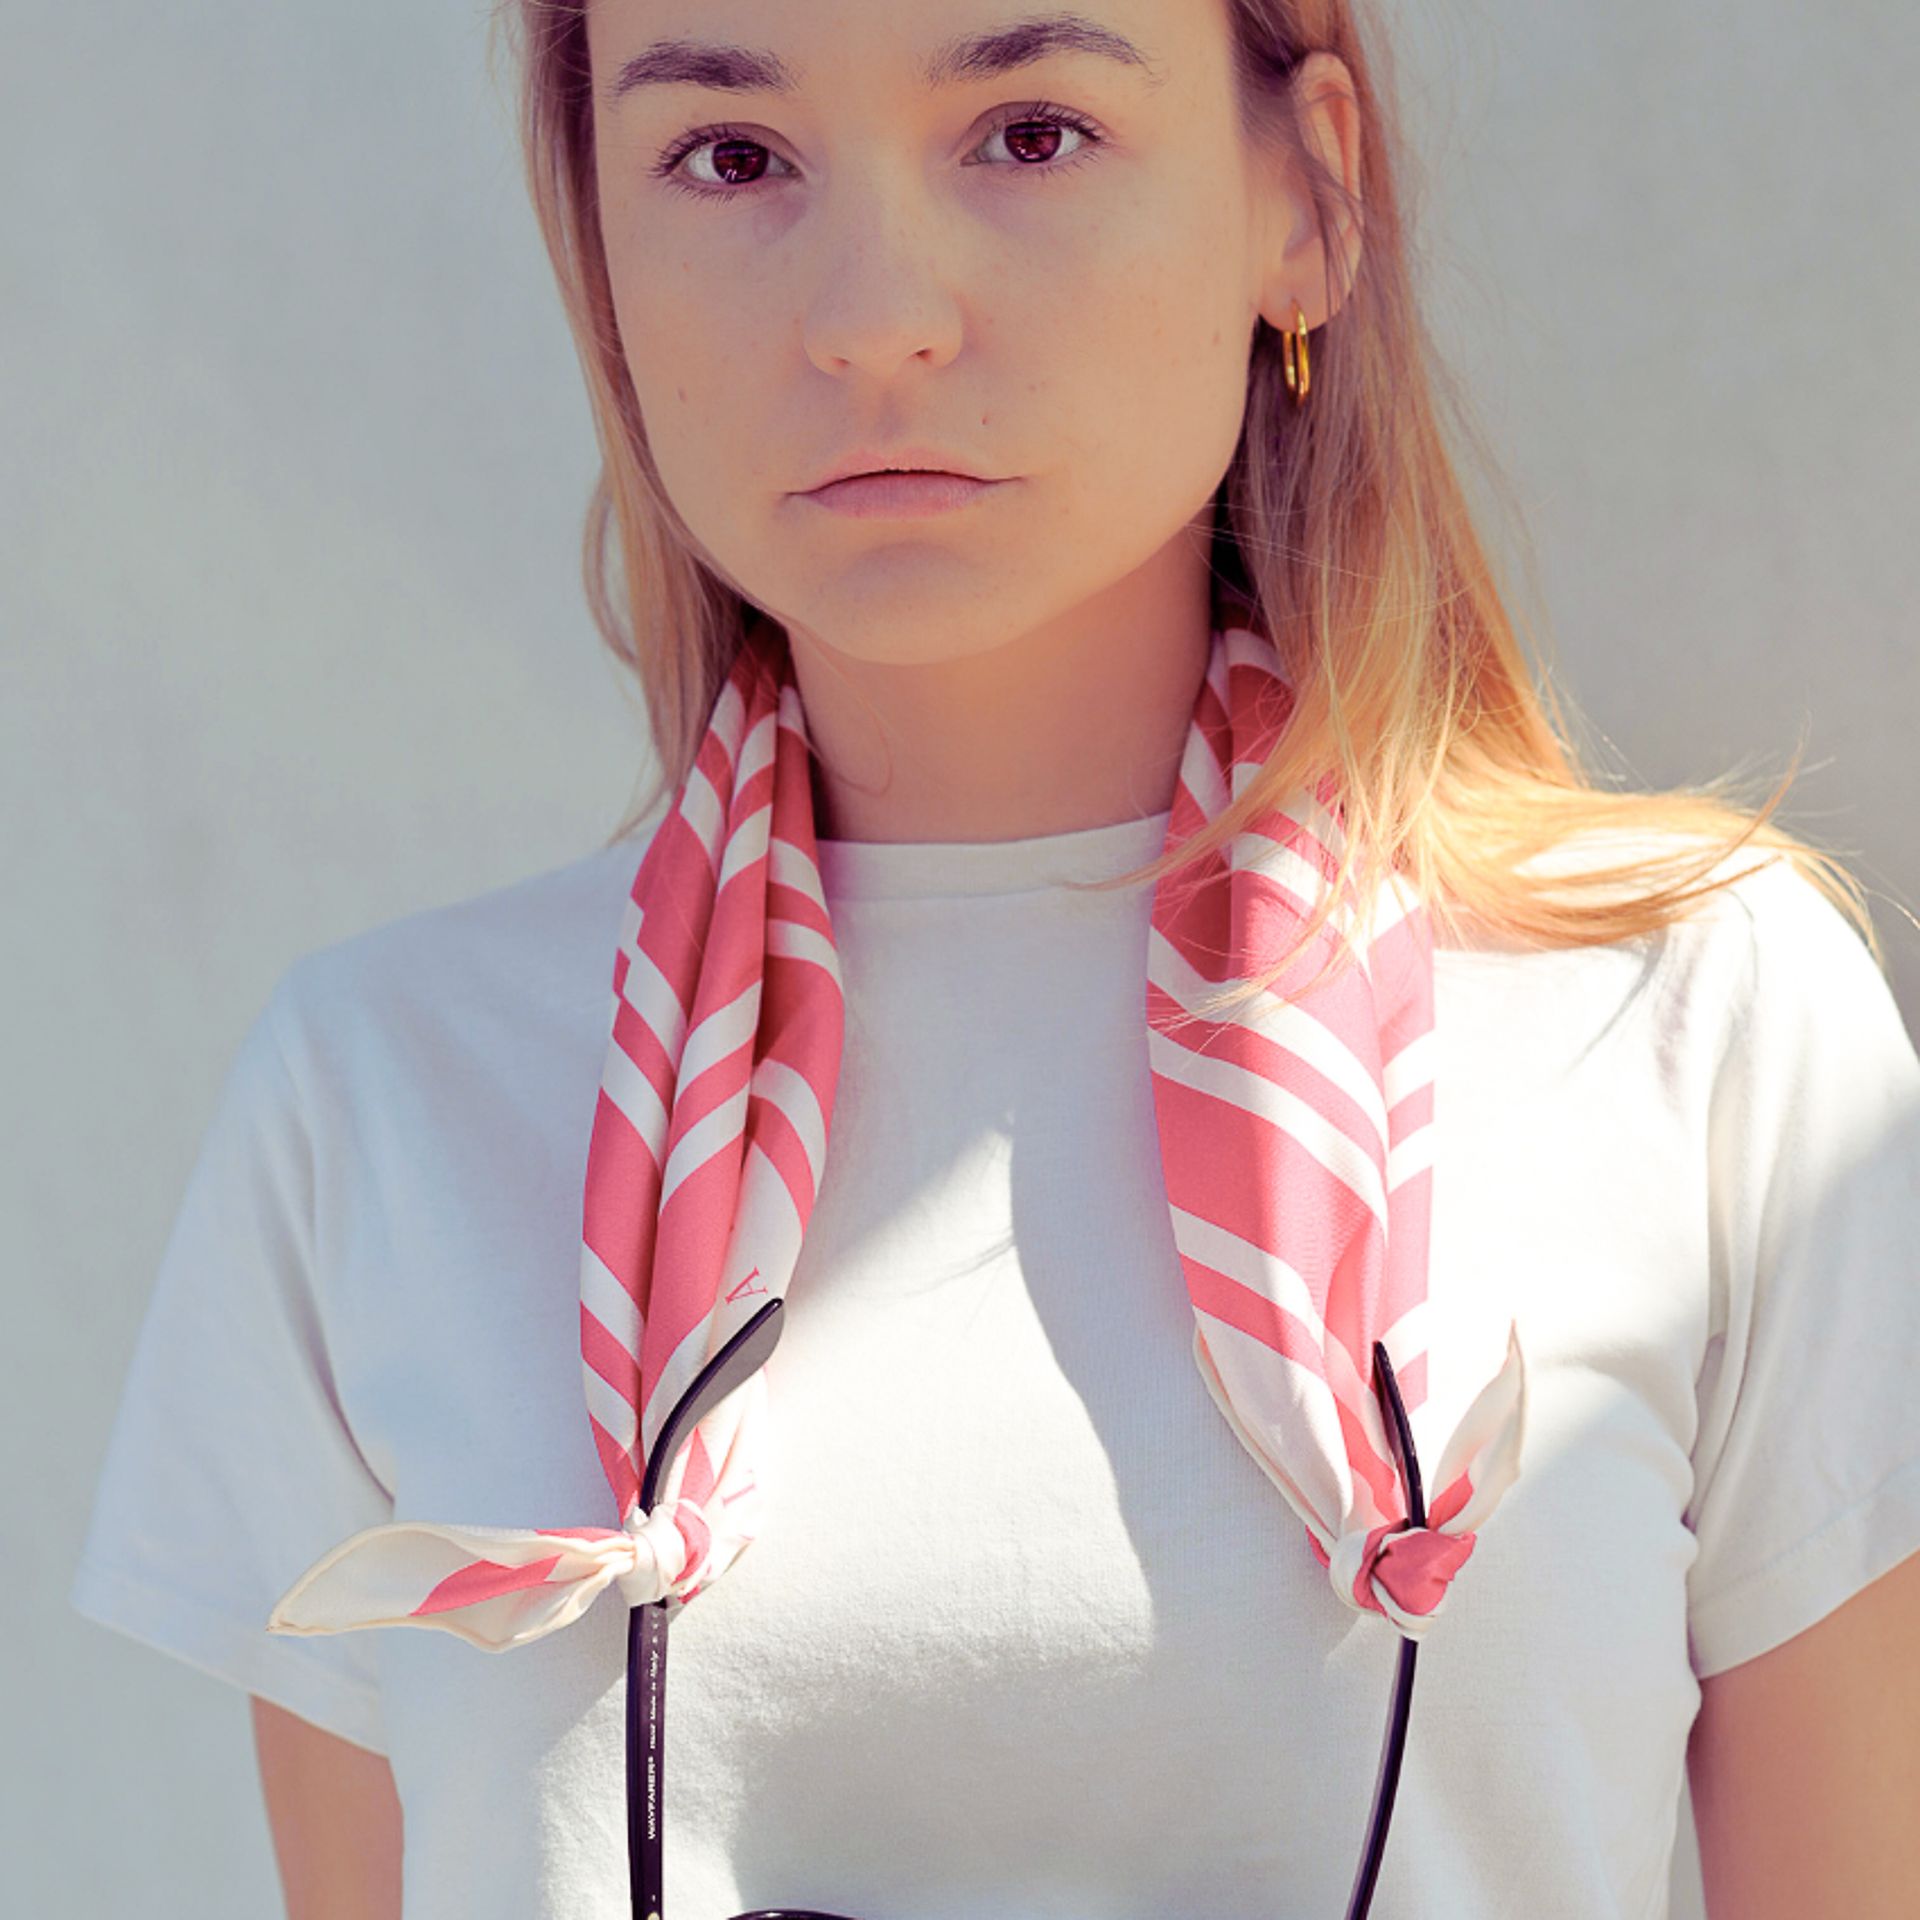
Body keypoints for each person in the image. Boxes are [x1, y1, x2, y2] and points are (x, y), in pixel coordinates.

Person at [70, 2, 1920, 1917]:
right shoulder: (380, 1108)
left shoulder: (1700, 1036)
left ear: (1310, 191)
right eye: (732, 156)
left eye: (1028, 133)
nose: (876, 313)